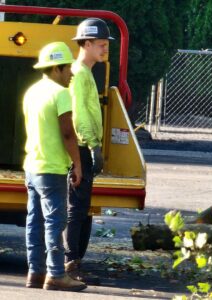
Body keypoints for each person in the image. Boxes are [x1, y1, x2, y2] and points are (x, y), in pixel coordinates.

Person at [23, 41, 86, 292]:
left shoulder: (32, 91)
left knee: (34, 222)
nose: (71, 73)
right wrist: (78, 165)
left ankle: (35, 273)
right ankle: (57, 274)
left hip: (32, 166)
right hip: (51, 168)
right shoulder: (60, 93)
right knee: (55, 222)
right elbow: (68, 134)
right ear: (57, 68)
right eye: (68, 67)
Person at [63, 18, 114, 285]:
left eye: (106, 45)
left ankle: (75, 264)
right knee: (76, 209)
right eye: (101, 45)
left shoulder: (86, 72)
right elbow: (80, 115)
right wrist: (93, 145)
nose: (105, 49)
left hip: (84, 147)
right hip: (81, 149)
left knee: (82, 209)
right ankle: (70, 266)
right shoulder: (80, 74)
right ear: (87, 43)